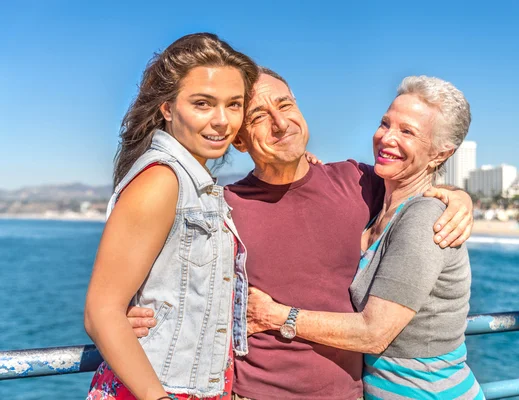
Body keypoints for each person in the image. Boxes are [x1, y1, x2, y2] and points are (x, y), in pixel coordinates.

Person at [127, 69, 474, 400]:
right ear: (240, 140)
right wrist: (139, 313)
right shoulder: (222, 207)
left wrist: (457, 196)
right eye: (258, 116)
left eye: (284, 105)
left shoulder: (357, 182)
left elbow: (415, 192)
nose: (279, 123)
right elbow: (169, 281)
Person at [246, 76, 485, 399]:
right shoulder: (376, 200)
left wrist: (275, 315)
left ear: (441, 154)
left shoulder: (425, 218)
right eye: (386, 123)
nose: (387, 138)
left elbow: (374, 333)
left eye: (407, 132)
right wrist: (301, 162)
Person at [84, 33, 259, 400]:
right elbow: (101, 311)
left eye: (234, 105)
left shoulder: (198, 185)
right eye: (203, 103)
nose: (222, 121)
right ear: (166, 107)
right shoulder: (162, 180)